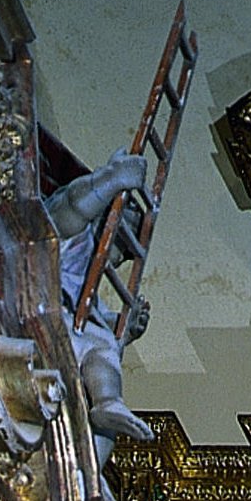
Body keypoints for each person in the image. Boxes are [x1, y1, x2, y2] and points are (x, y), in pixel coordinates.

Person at [46, 148, 155, 459]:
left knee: (105, 430)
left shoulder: (89, 287)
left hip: (68, 335)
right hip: (35, 308)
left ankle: (90, 476)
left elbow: (97, 319)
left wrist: (124, 329)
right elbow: (72, 208)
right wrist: (112, 179)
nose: (115, 260)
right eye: (118, 244)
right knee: (98, 343)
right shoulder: (76, 238)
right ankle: (107, 402)